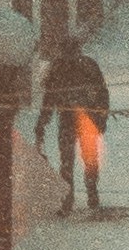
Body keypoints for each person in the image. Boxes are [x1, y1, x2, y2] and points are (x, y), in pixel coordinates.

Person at [39, 29, 112, 213]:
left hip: (71, 120)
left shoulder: (58, 67)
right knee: (89, 159)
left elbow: (49, 98)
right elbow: (103, 94)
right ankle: (90, 195)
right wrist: (102, 118)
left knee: (68, 161)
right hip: (88, 120)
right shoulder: (88, 65)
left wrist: (42, 122)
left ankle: (69, 199)